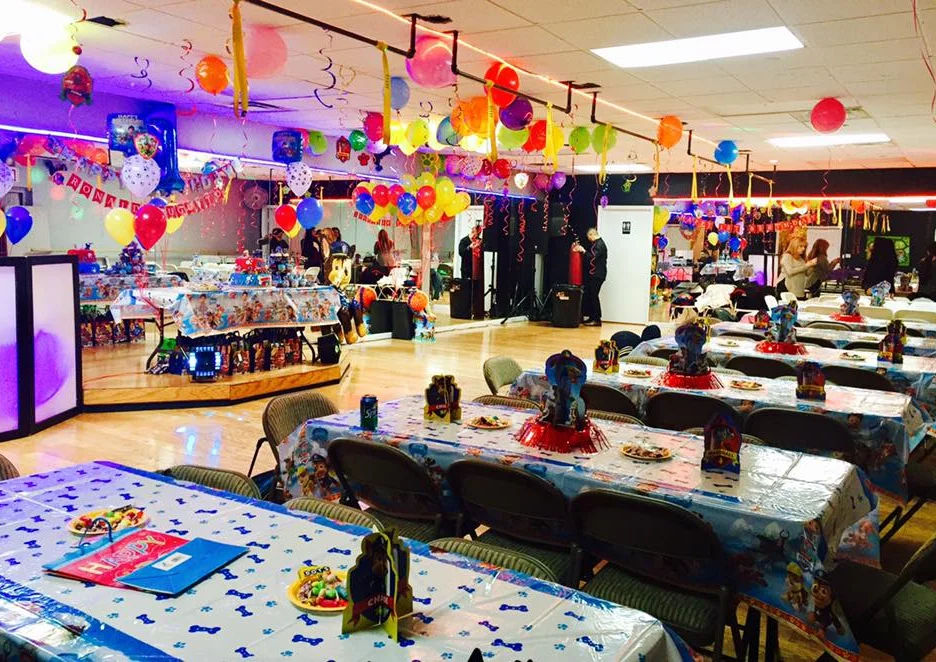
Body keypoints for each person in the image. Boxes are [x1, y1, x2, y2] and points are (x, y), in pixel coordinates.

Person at [582, 227, 607, 326]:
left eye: (589, 237)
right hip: (597, 274)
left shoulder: (599, 245)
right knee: (591, 295)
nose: (589, 240)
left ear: (592, 234)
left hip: (597, 274)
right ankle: (592, 317)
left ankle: (596, 319)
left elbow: (592, 258)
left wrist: (583, 251)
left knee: (593, 295)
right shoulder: (599, 244)